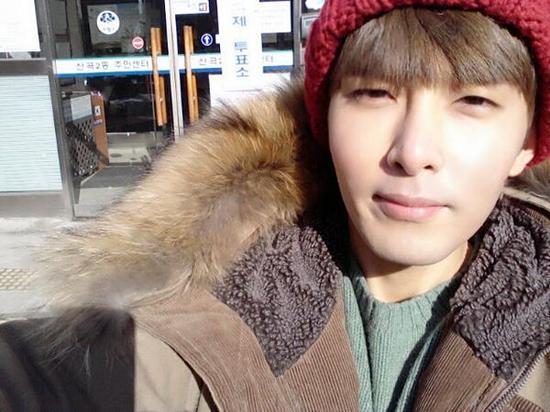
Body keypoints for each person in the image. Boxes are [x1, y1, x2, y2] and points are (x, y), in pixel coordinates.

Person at [1, 0, 549, 410]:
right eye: (374, 94)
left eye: (474, 100)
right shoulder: (206, 300)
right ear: (323, 120)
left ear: (526, 143)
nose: (413, 152)